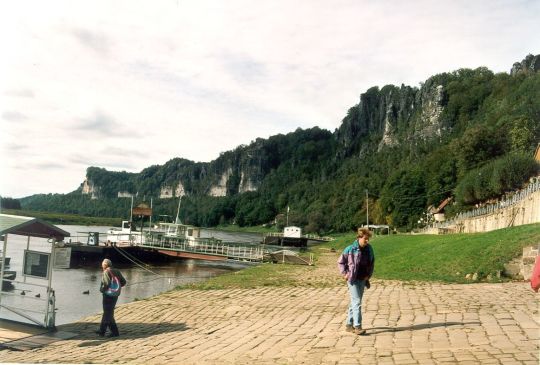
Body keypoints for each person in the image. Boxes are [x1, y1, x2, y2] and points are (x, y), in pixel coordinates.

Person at [337, 227, 375, 335]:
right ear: (359, 237)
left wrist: (368, 275)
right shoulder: (349, 249)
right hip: (352, 280)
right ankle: (358, 326)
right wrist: (345, 274)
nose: (367, 241)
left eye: (368, 239)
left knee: (355, 302)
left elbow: (372, 262)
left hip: (362, 279)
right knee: (357, 302)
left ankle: (349, 325)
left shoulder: (369, 249)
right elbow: (340, 262)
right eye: (365, 239)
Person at [97, 259, 126, 337]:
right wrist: (116, 287)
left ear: (104, 265)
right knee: (109, 313)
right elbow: (123, 282)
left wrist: (101, 290)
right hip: (115, 295)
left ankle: (103, 331)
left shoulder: (106, 272)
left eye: (102, 265)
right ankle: (113, 331)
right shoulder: (117, 271)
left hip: (108, 295)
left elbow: (106, 284)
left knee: (107, 313)